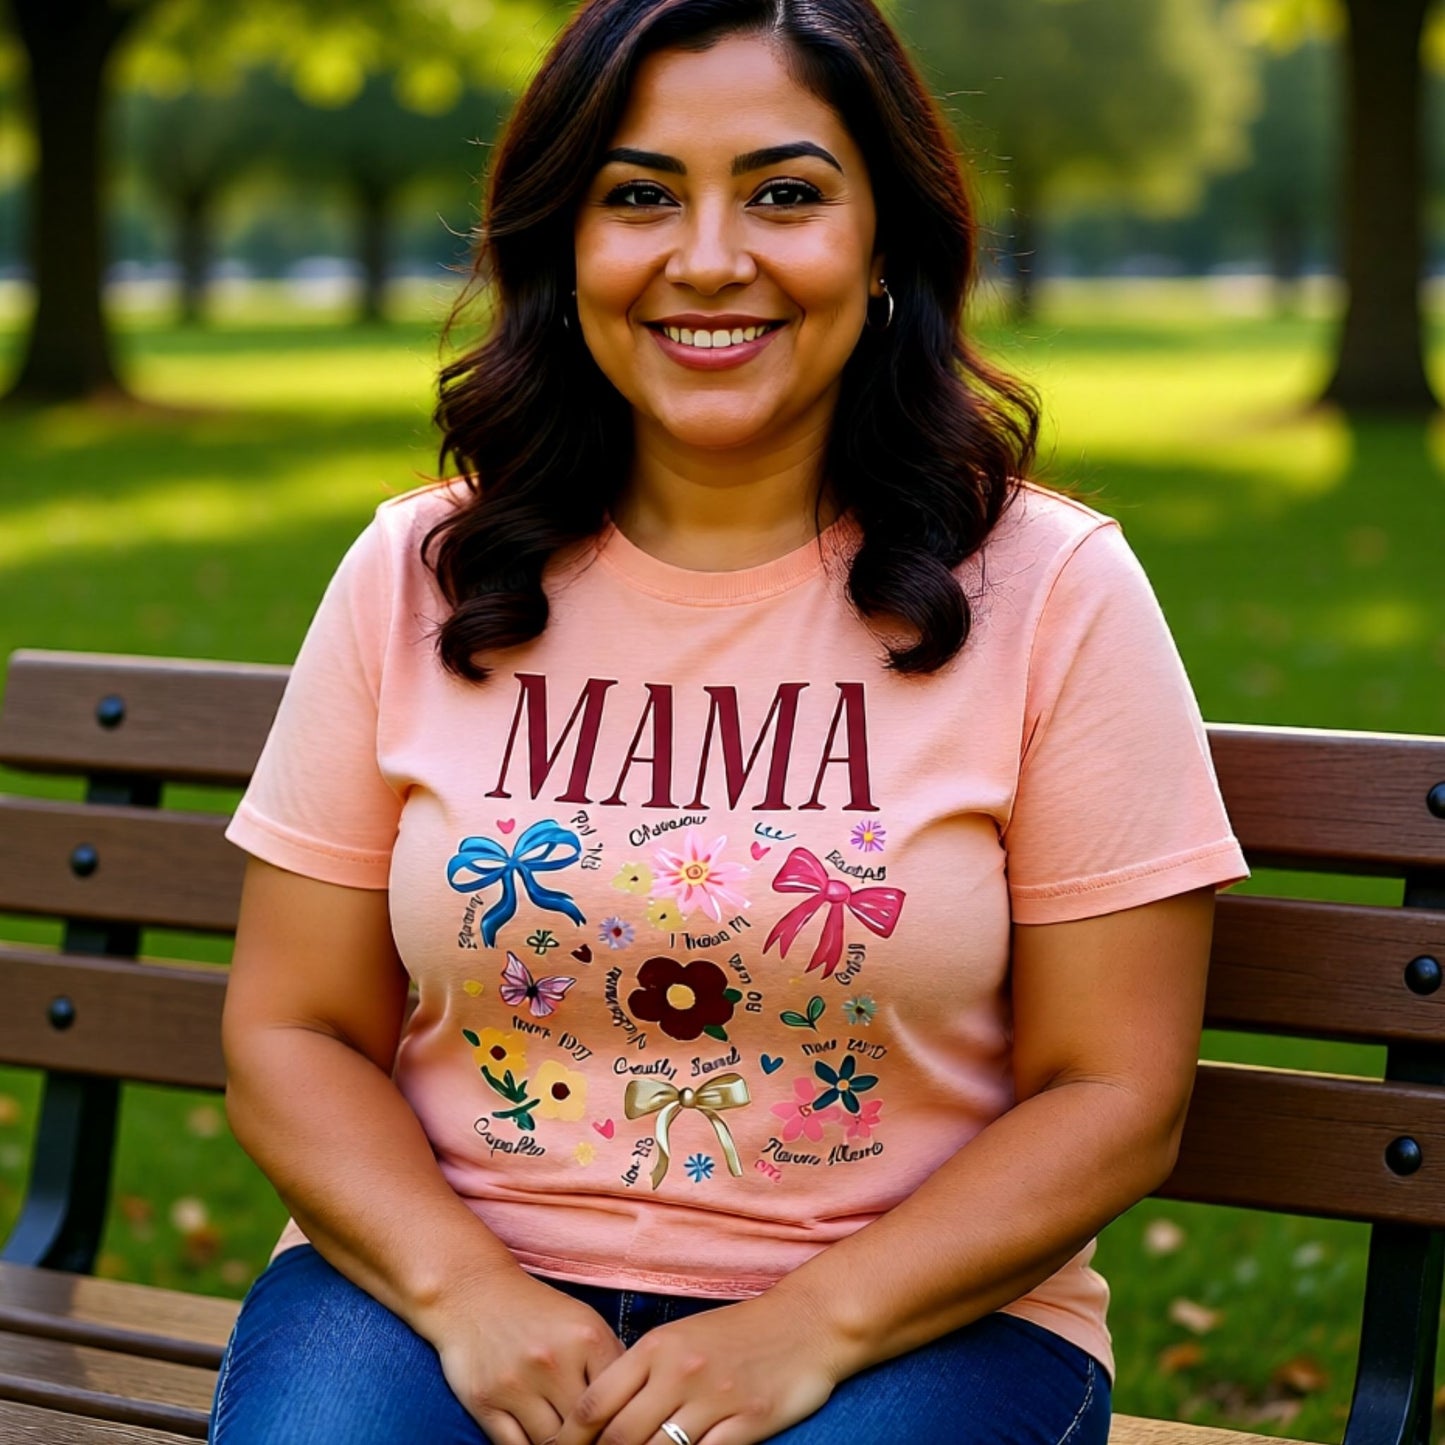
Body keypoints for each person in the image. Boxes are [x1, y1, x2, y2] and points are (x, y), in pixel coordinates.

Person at [208, 0, 1250, 1441]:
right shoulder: (421, 572)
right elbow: (290, 1026)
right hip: (428, 1286)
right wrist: (466, 1291)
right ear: (562, 244)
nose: (707, 258)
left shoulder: (1050, 589)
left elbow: (1114, 1091)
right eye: (639, 197)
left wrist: (806, 1328)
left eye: (785, 195)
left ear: (883, 242)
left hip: (914, 1322)